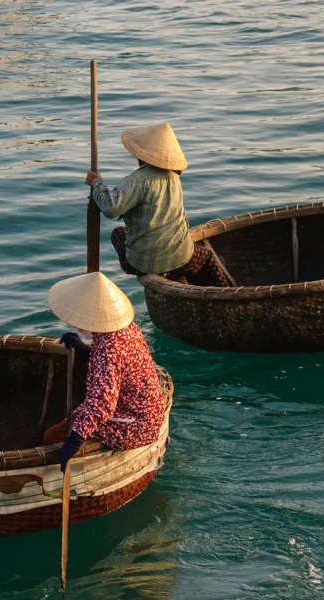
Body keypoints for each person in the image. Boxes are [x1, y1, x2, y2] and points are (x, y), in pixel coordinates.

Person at [42, 271, 165, 472]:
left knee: (52, 437)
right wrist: (85, 351)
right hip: (148, 414)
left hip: (133, 425)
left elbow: (102, 405)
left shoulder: (108, 348)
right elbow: (118, 367)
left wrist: (75, 438)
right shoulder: (126, 328)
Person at [85, 123, 231, 287]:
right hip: (182, 258)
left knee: (118, 233)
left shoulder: (137, 180)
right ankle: (225, 292)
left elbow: (110, 208)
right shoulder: (174, 177)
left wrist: (96, 183)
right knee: (207, 258)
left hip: (142, 264)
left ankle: (175, 277)